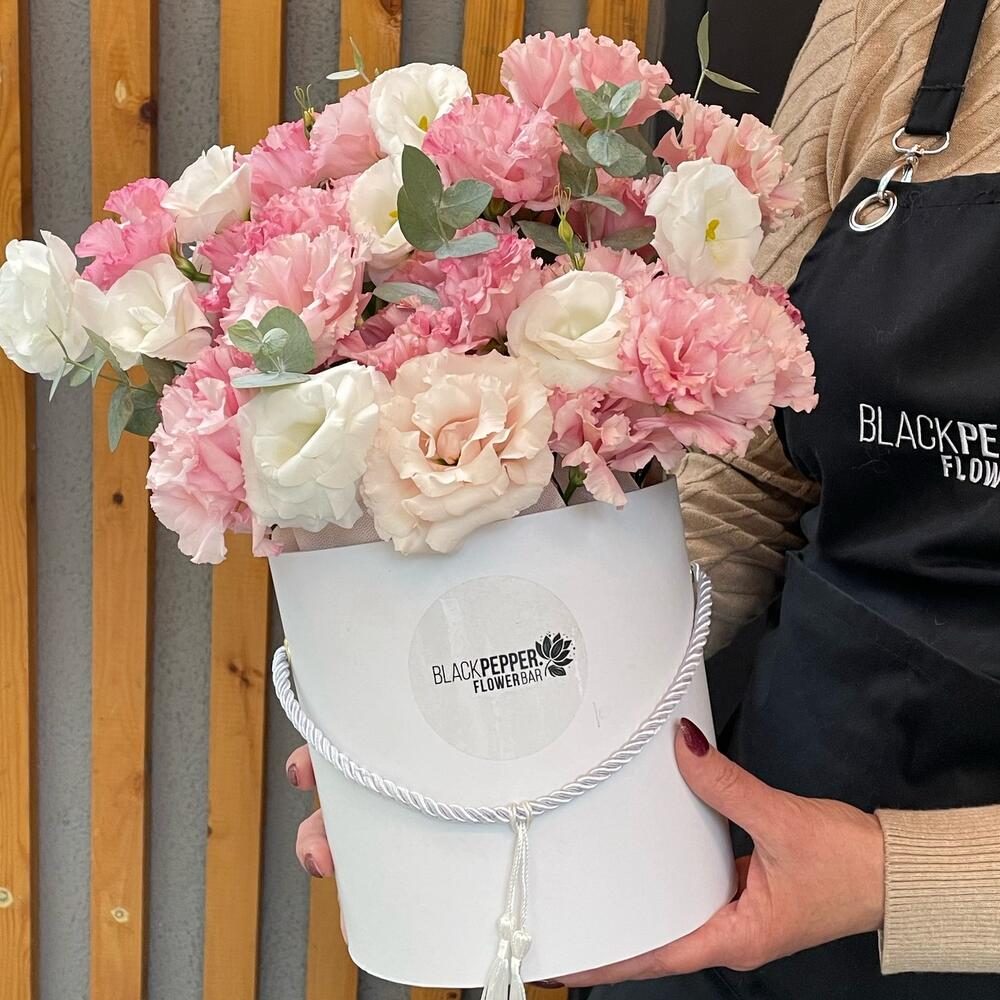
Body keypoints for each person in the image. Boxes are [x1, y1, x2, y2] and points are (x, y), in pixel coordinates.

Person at [286, 0, 1000, 993]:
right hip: (749, 846)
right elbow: (756, 461)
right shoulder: (901, 24)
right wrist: (518, 719)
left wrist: (898, 878)